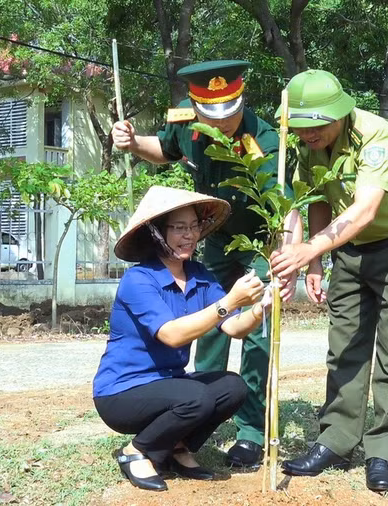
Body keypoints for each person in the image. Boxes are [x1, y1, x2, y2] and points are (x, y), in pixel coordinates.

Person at [111, 59, 299, 471]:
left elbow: (287, 210)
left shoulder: (264, 139)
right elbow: (163, 150)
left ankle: (250, 432)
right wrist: (130, 141)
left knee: (257, 336)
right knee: (207, 331)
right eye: (212, 113)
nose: (224, 121)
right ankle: (194, 423)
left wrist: (290, 260)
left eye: (231, 111)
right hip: (213, 243)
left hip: (257, 247)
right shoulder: (186, 121)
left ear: (240, 99)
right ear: (195, 106)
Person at [269, 69, 388, 492]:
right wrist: (315, 265)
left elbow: (364, 211)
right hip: (348, 250)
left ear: (340, 114)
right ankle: (336, 440)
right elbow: (321, 200)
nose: (309, 134)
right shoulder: (310, 146)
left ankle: (384, 449)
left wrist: (308, 250)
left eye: (317, 125)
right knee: (344, 346)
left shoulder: (378, 136)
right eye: (301, 127)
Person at [92, 186, 272, 492]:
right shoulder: (139, 279)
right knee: (196, 398)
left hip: (169, 384)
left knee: (232, 387)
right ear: (157, 233)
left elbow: (234, 328)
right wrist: (229, 301)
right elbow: (173, 335)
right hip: (122, 392)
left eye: (193, 227)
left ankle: (176, 446)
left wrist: (259, 308)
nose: (188, 235)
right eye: (178, 228)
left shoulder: (200, 274)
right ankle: (136, 451)